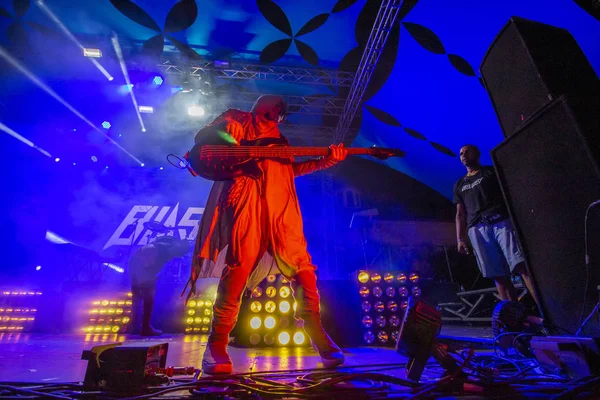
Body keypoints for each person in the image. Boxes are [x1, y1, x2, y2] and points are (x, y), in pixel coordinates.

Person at [182, 95, 348, 375]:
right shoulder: (237, 120)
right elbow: (205, 142)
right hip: (246, 201)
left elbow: (287, 171)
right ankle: (217, 343)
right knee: (238, 269)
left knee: (303, 268)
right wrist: (238, 147)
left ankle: (316, 333)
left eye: (279, 111)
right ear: (257, 105)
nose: (273, 112)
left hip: (281, 206)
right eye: (269, 107)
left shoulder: (281, 142)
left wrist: (325, 162)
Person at [454, 144, 539, 306]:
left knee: (520, 265)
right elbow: (460, 213)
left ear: (477, 154)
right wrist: (460, 238)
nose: (464, 155)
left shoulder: (491, 172)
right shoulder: (459, 184)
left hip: (500, 221)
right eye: (461, 154)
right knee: (498, 274)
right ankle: (513, 318)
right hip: (477, 229)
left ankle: (546, 312)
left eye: (467, 152)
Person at [129, 235, 190, 336]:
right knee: (147, 298)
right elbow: (147, 266)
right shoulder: (156, 250)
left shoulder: (168, 246)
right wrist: (148, 279)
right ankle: (144, 328)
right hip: (141, 263)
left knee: (139, 297)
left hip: (138, 261)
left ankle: (136, 326)